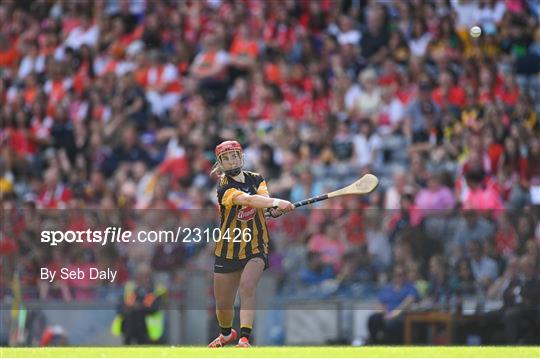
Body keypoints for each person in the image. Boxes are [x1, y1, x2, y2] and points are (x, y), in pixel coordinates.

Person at [208, 140, 294, 348]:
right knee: (223, 303)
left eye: (234, 155)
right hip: (228, 247)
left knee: (247, 286)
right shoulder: (223, 186)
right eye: (226, 158)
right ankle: (227, 334)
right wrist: (275, 202)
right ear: (220, 163)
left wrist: (272, 209)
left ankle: (244, 338)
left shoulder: (257, 179)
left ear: (241, 156)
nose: (231, 161)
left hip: (256, 244)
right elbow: (248, 200)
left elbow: (261, 201)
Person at [111, 264, 167, 344]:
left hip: (150, 333)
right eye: (141, 276)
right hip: (130, 332)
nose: (144, 279)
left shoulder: (157, 290)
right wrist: (131, 306)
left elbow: (154, 307)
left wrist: (138, 306)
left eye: (146, 276)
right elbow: (120, 308)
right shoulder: (130, 288)